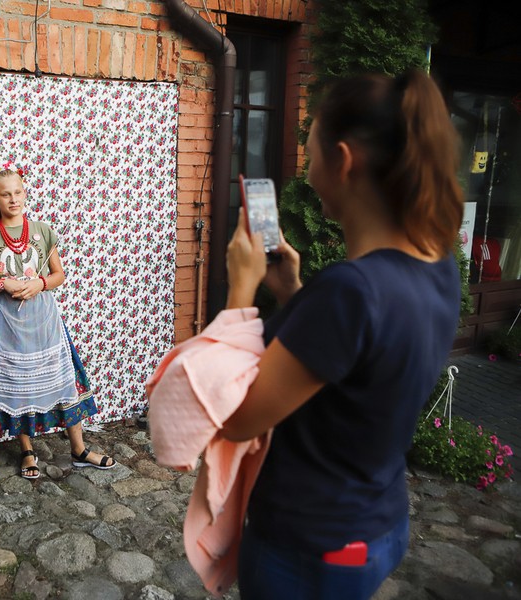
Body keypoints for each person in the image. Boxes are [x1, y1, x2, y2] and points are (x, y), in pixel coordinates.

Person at [223, 70, 464, 599]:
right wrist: (293, 295)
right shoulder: (438, 264)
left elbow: (238, 419)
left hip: (309, 545)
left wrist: (241, 290)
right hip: (378, 523)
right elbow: (359, 365)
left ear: (345, 161)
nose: (307, 174)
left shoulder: (350, 292)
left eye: (310, 154)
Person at [0, 163, 115, 479]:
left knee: (64, 380)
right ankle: (27, 450)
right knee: (17, 384)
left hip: (44, 320)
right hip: (6, 324)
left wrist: (40, 283)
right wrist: (2, 284)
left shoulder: (43, 230)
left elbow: (59, 274)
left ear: (25, 193)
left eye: (18, 192)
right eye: (5, 194)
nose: (13, 199)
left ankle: (78, 448)